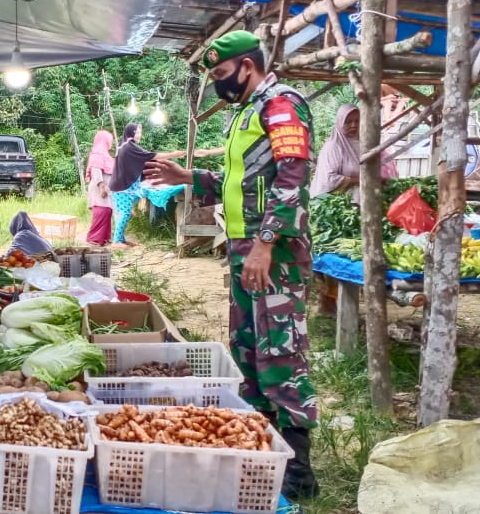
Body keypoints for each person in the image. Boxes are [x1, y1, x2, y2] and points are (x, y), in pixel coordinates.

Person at [143, 30, 319, 499]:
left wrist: (264, 243)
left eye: (222, 74)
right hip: (245, 248)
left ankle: (299, 466)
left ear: (247, 65)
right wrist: (192, 177)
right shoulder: (245, 115)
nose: (220, 84)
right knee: (247, 346)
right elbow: (244, 183)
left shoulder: (281, 105)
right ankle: (261, 442)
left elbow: (293, 177)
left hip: (274, 251)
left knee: (281, 348)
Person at [85, 130, 115, 246]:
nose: (111, 143)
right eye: (109, 140)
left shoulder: (105, 155)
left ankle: (104, 238)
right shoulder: (97, 155)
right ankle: (94, 239)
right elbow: (96, 171)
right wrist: (102, 187)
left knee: (107, 212)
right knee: (101, 212)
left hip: (106, 190)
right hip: (100, 189)